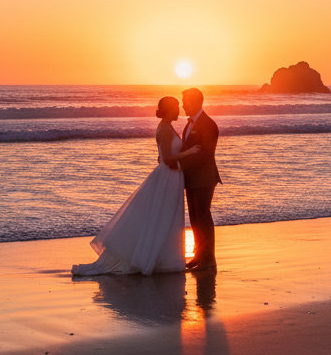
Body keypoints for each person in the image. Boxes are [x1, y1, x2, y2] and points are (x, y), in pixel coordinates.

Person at [72, 96, 198, 276]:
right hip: (168, 177)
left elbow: (161, 156)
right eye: (176, 107)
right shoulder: (164, 128)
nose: (179, 111)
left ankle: (162, 257)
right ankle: (155, 259)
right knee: (162, 217)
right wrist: (189, 152)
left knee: (165, 218)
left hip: (171, 176)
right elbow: (168, 159)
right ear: (169, 110)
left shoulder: (167, 127)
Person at [179, 87, 221, 270]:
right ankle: (198, 255)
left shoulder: (208, 124)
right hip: (191, 178)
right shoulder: (190, 124)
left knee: (203, 216)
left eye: (185, 101)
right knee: (195, 218)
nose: (182, 105)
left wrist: (180, 165)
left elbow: (205, 154)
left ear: (196, 102)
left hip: (204, 177)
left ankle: (209, 259)